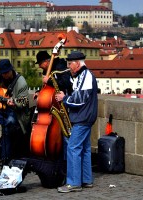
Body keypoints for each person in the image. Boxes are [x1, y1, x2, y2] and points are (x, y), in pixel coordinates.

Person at [55, 51, 98, 193]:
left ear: (78, 63)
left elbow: (80, 99)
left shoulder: (86, 76)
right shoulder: (81, 75)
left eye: (70, 64)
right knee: (84, 149)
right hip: (84, 117)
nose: (68, 67)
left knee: (73, 148)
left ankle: (73, 183)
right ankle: (86, 180)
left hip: (82, 118)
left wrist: (64, 98)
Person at [0, 59, 30, 163]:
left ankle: (5, 159)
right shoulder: (0, 77)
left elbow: (24, 103)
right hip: (6, 110)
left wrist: (14, 103)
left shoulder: (20, 82)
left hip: (18, 113)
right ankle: (8, 123)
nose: (3, 75)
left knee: (7, 128)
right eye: (2, 73)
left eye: (5, 73)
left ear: (10, 70)